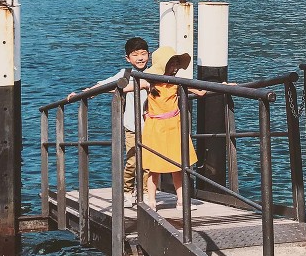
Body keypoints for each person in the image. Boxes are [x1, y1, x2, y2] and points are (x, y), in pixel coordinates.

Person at [68, 36, 150, 208]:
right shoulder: (124, 74)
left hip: (152, 126)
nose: (140, 58)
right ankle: (128, 190)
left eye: (143, 53)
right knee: (133, 160)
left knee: (149, 162)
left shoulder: (153, 73)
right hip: (132, 126)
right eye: (135, 54)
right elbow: (104, 85)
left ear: (149, 55)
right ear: (128, 58)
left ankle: (145, 193)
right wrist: (84, 93)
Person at [142, 46, 206, 209]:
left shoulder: (176, 83)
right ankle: (151, 200)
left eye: (176, 64)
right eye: (171, 64)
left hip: (174, 126)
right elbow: (128, 86)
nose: (175, 67)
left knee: (178, 165)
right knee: (154, 167)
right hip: (156, 126)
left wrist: (220, 85)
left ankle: (181, 200)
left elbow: (198, 91)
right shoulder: (151, 82)